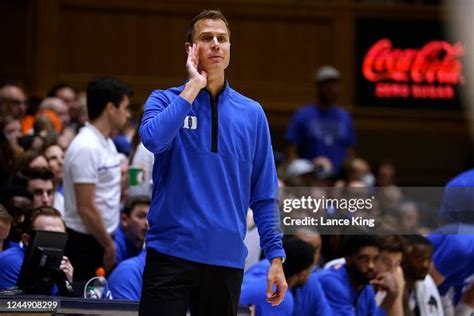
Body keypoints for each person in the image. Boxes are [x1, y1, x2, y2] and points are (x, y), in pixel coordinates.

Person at [138, 9, 286, 316]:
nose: (216, 44)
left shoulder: (253, 114)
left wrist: (275, 257)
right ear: (190, 49)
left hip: (226, 262)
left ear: (231, 48)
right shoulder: (165, 100)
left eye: (223, 39)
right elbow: (153, 139)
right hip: (170, 255)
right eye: (206, 38)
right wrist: (192, 87)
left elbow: (265, 194)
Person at [63, 77, 132, 281]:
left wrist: (133, 177)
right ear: (111, 108)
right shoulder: (86, 146)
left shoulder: (106, 143)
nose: (128, 115)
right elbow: (85, 206)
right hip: (86, 241)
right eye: (125, 108)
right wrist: (109, 245)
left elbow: (107, 189)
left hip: (101, 237)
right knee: (84, 306)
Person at [285, 65, 356, 175]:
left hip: (339, 178)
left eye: (335, 85)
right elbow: (291, 153)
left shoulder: (345, 117)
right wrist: (307, 168)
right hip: (310, 177)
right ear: (318, 87)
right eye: (327, 85)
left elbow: (350, 152)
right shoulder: (303, 115)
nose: (332, 89)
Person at [239, 236, 329, 316]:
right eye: (309, 270)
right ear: (302, 274)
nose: (310, 274)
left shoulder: (264, 266)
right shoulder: (279, 296)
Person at [318, 234, 398, 315]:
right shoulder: (332, 282)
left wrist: (391, 296)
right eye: (364, 259)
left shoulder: (366, 287)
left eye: (375, 259)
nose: (371, 266)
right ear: (348, 258)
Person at [0, 206, 73, 291]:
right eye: (49, 237)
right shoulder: (11, 260)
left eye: (60, 238)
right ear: (27, 240)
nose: (55, 244)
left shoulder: (58, 267)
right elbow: (37, 303)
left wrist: (67, 283)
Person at [402, 235, 443, 316]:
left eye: (429, 259)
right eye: (419, 259)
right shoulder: (393, 285)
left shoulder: (428, 283)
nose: (426, 265)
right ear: (404, 258)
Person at [115, 196, 149, 264]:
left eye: (149, 218)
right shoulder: (114, 247)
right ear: (124, 219)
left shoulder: (143, 244)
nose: (147, 223)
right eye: (141, 216)